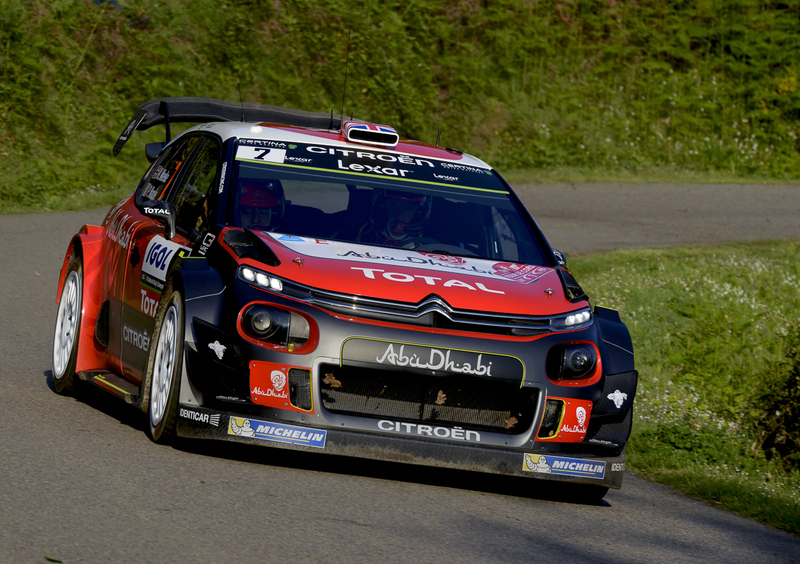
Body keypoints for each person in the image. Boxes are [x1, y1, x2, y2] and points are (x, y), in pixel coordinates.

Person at [358, 189, 433, 247]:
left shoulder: (430, 245)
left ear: (418, 215)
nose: (400, 215)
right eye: (394, 206)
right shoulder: (360, 236)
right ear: (382, 211)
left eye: (408, 208)